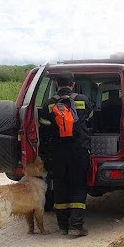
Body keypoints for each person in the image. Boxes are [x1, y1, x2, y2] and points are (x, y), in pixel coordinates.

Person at [38, 73, 92, 236]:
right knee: (78, 186)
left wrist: (44, 154)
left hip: (57, 153)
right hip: (78, 152)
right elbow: (91, 119)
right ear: (73, 84)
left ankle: (62, 226)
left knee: (60, 187)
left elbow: (44, 129)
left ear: (56, 84)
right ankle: (76, 225)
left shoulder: (48, 104)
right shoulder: (83, 100)